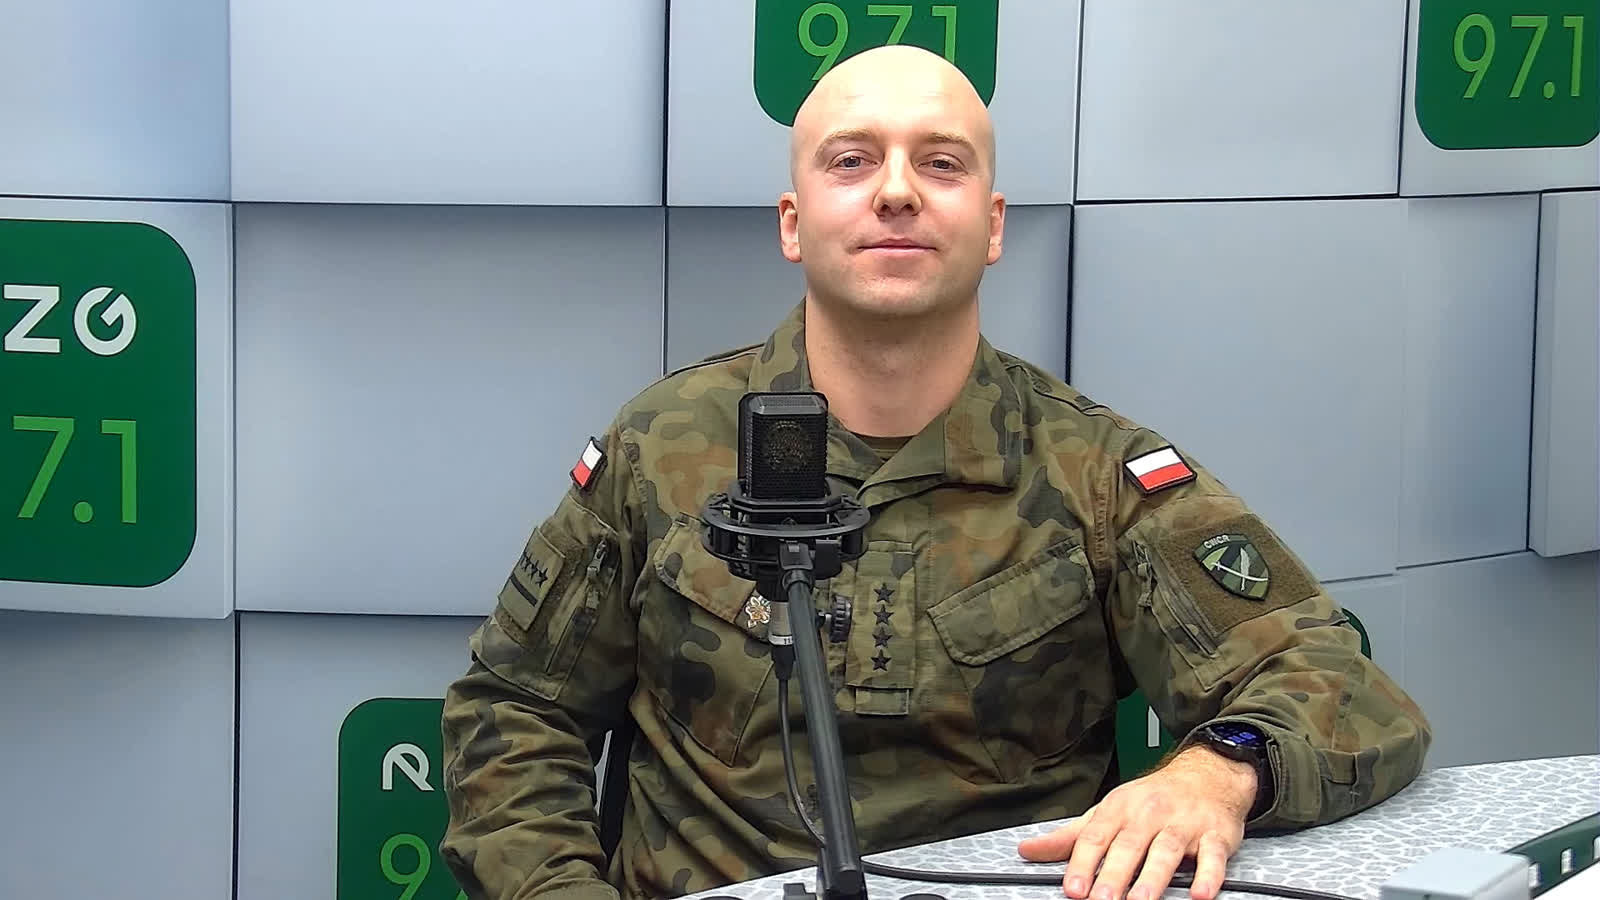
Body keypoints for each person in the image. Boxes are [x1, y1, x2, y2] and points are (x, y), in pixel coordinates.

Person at [439, 44, 1431, 900]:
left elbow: (1333, 680)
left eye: (940, 163)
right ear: (793, 222)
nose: (897, 191)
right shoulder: (663, 446)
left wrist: (1215, 774)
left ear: (992, 227)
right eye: (852, 160)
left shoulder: (1091, 472)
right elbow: (513, 712)